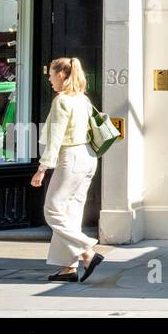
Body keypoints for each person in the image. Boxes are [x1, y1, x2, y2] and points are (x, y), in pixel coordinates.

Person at [30, 58, 104, 283]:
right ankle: (68, 269)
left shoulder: (62, 100)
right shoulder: (83, 99)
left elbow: (56, 137)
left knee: (52, 210)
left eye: (51, 75)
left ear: (62, 75)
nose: (49, 79)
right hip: (89, 157)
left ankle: (87, 251)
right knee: (70, 214)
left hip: (70, 157)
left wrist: (42, 168)